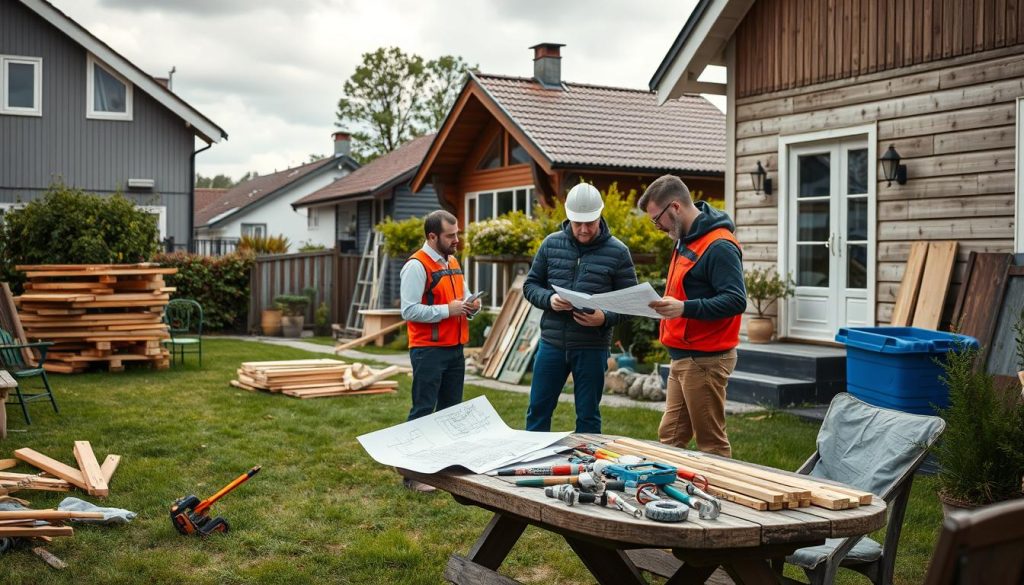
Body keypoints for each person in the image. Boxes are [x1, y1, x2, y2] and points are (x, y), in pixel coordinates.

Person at [639, 175, 746, 458]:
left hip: (706, 359)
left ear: (674, 207)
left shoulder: (719, 246)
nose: (657, 227)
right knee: (671, 437)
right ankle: (666, 498)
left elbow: (736, 300)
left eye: (656, 219)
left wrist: (684, 308)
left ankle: (723, 498)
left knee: (711, 444)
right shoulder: (685, 237)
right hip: (683, 356)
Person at [522, 183, 638, 433]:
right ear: (568, 217)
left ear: (600, 216)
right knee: (538, 410)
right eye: (578, 224)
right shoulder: (550, 244)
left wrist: (604, 318)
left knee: (588, 416)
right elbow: (531, 285)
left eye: (590, 223)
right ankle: (528, 467)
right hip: (551, 343)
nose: (584, 230)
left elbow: (631, 303)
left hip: (591, 347)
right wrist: (549, 299)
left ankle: (586, 469)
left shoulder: (618, 252)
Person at [399, 209, 481, 491]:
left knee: (451, 412)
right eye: (450, 235)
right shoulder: (416, 266)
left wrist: (470, 305)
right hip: (428, 351)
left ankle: (442, 470)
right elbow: (409, 310)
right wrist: (450, 309)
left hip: (454, 348)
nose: (456, 239)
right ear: (432, 236)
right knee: (423, 410)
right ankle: (413, 475)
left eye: (457, 233)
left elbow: (462, 299)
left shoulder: (453, 261)